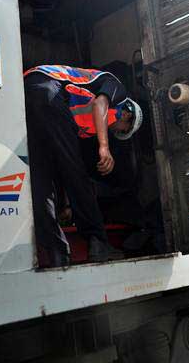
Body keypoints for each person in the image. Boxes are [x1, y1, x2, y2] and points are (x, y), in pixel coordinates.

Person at [23, 65, 143, 266]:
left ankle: (56, 251)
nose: (116, 132)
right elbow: (100, 104)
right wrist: (104, 147)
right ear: (127, 116)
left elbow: (61, 163)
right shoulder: (118, 90)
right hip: (49, 88)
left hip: (27, 91)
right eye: (121, 130)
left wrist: (63, 203)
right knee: (78, 174)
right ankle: (98, 243)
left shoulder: (83, 125)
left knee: (41, 180)